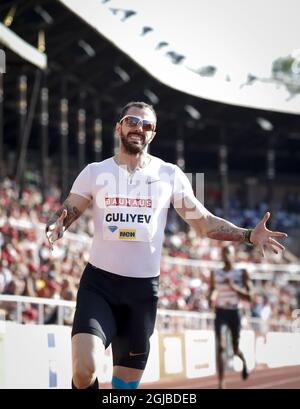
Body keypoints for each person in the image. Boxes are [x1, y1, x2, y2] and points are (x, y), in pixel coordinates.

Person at [45, 101, 287, 389]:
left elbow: (204, 223)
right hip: (99, 287)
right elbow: (68, 210)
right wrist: (56, 225)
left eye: (147, 125)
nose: (139, 128)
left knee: (124, 389)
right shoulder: (95, 172)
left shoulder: (169, 175)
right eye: (133, 121)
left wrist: (248, 235)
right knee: (84, 370)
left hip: (142, 294)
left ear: (153, 134)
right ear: (119, 126)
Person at [208, 244, 253, 389]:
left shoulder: (242, 273)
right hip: (221, 312)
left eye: (228, 253)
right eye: (223, 253)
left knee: (235, 348)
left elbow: (250, 296)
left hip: (235, 312)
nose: (225, 256)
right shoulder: (215, 273)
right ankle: (221, 382)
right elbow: (213, 290)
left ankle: (244, 362)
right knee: (220, 347)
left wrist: (234, 287)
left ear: (234, 255)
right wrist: (210, 298)